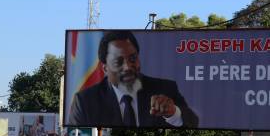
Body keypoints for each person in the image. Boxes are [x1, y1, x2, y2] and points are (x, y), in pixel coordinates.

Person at [68, 30, 199, 128]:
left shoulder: (164, 89)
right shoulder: (85, 101)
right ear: (105, 68)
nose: (127, 67)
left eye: (133, 58)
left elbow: (192, 122)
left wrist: (173, 113)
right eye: (118, 62)